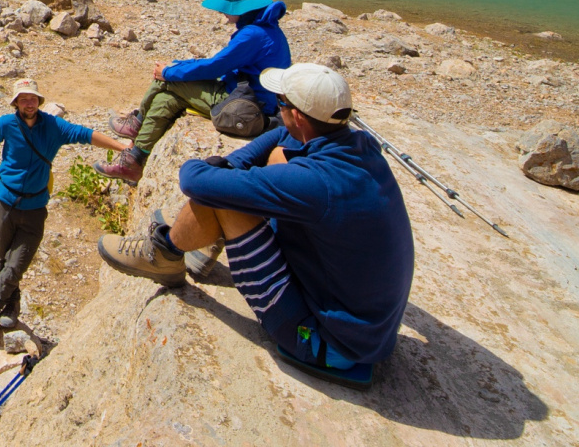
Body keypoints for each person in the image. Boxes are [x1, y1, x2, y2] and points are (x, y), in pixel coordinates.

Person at [97, 63, 414, 388]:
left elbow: (195, 181)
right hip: (369, 330)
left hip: (330, 343)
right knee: (277, 156)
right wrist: (233, 163)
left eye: (281, 105)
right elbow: (280, 134)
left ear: (300, 118)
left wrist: (217, 166)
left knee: (222, 197)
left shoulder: (315, 183)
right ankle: (196, 242)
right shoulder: (361, 146)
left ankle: (164, 253)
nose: (278, 109)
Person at [99, 0, 290, 184]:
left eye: (224, 7)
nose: (221, 12)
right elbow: (222, 63)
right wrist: (179, 65)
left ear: (238, 7)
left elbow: (216, 67)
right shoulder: (266, 29)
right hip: (249, 98)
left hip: (245, 107)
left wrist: (169, 72)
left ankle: (137, 122)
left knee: (167, 81)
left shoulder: (252, 35)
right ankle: (134, 162)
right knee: (169, 99)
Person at [0, 78, 133, 333]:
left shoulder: (53, 126)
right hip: (5, 201)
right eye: (23, 99)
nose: (28, 103)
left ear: (39, 102)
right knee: (2, 258)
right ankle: (11, 307)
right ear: (16, 102)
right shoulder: (6, 124)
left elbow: (85, 135)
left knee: (17, 261)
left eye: (32, 99)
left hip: (34, 207)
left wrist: (121, 147)